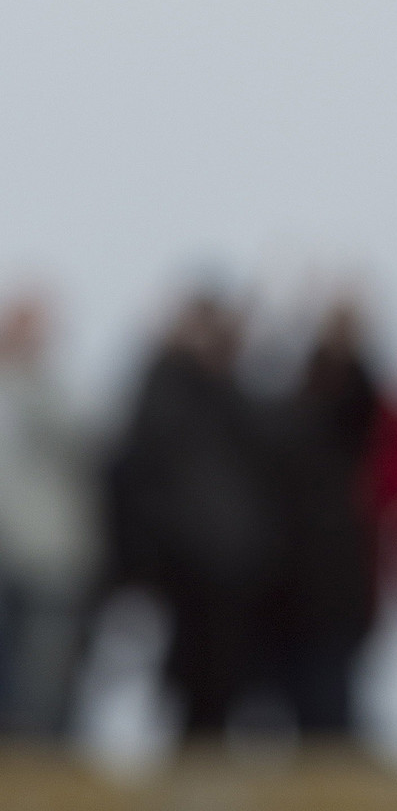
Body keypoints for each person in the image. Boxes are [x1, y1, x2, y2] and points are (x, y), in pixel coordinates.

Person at [106, 292, 276, 738]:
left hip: (233, 562)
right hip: (180, 561)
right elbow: (140, 468)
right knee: (182, 676)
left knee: (223, 679)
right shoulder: (165, 386)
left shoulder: (237, 392)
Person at [265, 303, 383, 736]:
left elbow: (363, 404)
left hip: (325, 590)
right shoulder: (296, 426)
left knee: (327, 701)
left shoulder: (341, 428)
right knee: (318, 701)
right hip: (304, 590)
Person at [0, 297, 99, 736]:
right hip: (11, 554)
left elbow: (84, 444)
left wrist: (27, 374)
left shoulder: (59, 391)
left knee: (47, 676)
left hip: (49, 557)